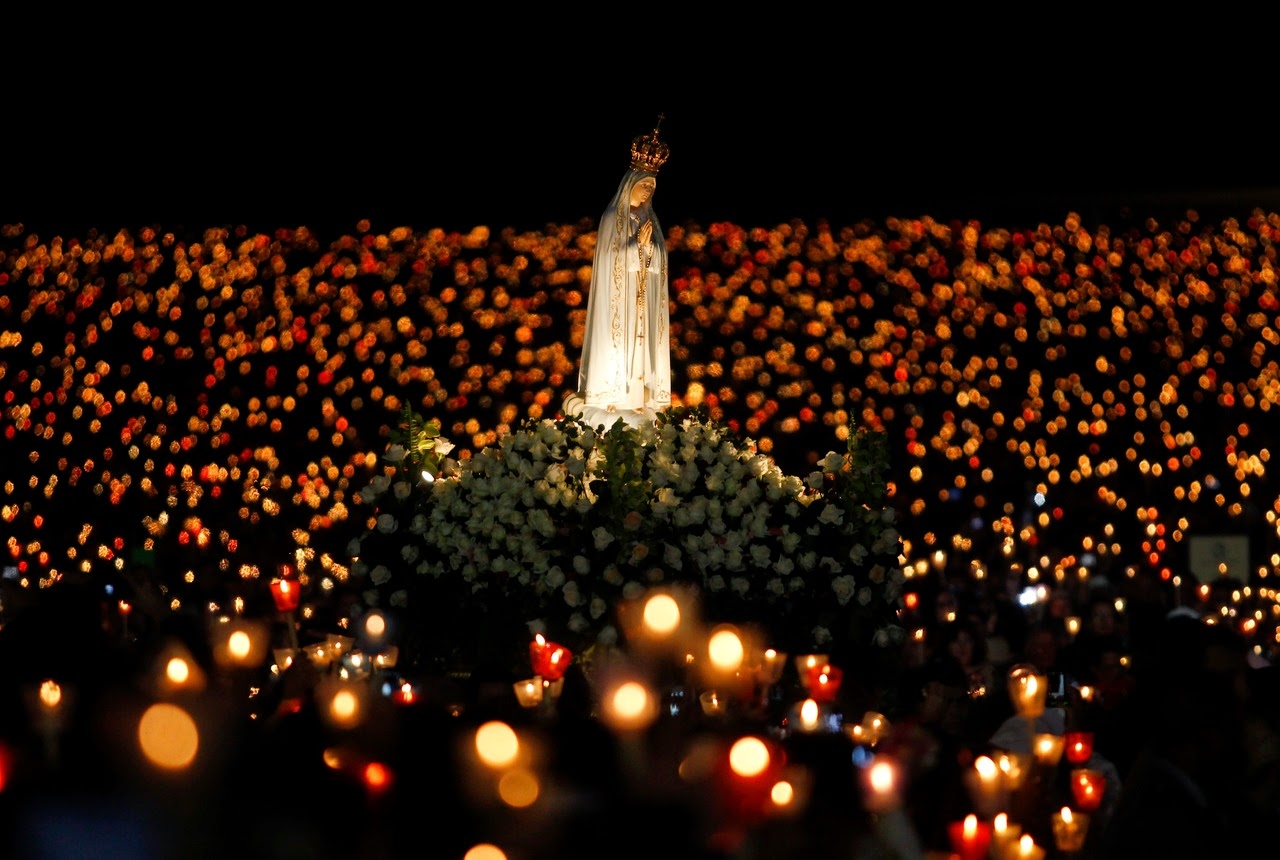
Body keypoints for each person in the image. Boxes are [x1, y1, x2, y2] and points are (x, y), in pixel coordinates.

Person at [572, 118, 672, 430]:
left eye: (651, 188)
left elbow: (659, 260)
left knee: (641, 348)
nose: (647, 192)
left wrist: (650, 249)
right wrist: (634, 247)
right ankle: (611, 395)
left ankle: (638, 397)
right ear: (630, 184)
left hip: (641, 299)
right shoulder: (612, 217)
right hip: (620, 299)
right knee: (621, 346)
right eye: (643, 185)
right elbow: (608, 259)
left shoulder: (651, 220)